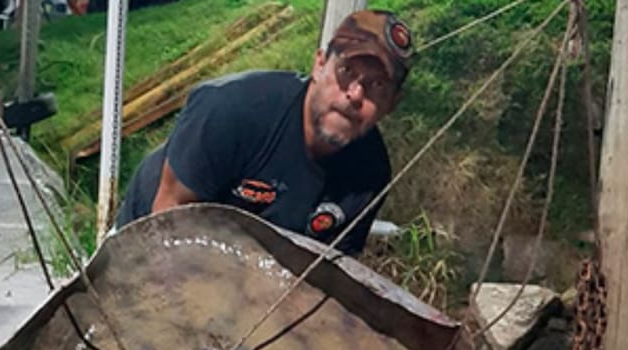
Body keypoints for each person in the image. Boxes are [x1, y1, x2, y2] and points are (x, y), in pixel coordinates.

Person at [114, 9, 413, 255]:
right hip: (151, 232)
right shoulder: (233, 110)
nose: (355, 94)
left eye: (377, 86)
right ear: (319, 65)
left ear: (393, 103)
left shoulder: (371, 175)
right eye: (346, 72)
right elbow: (166, 216)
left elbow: (331, 274)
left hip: (255, 263)